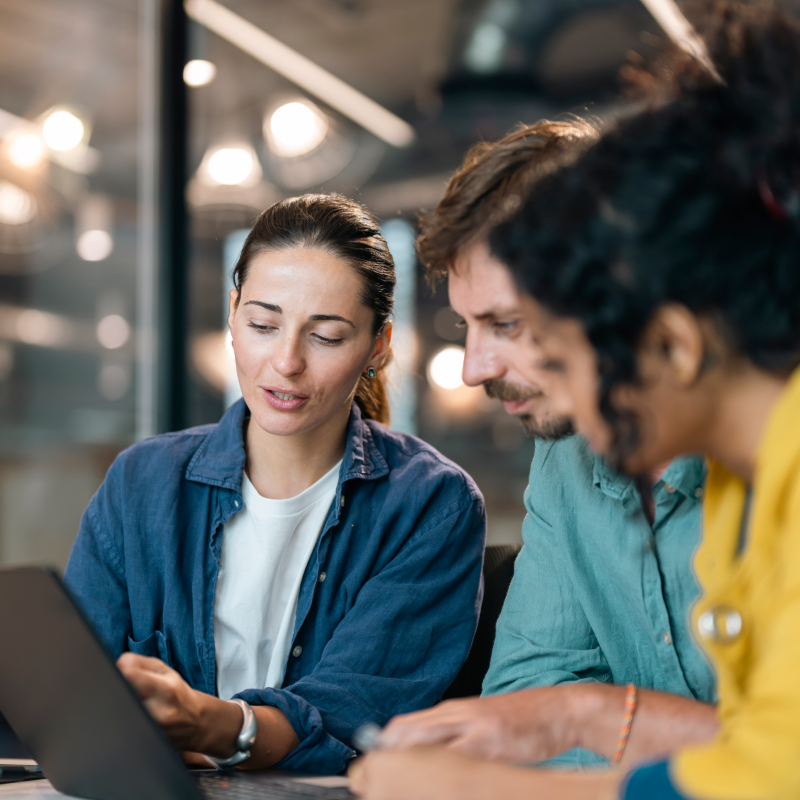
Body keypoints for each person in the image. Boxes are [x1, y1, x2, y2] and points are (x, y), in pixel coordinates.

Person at [351, 3, 800, 798]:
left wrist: (478, 785)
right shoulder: (740, 487)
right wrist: (568, 719)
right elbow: (759, 751)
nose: (490, 369)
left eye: (554, 342)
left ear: (674, 340)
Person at [64, 193, 486, 775]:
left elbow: (353, 719)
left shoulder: (431, 504)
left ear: (377, 346)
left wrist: (210, 727)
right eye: (263, 324)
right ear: (233, 315)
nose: (286, 362)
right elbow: (76, 701)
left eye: (328, 337)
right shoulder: (141, 484)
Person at [377, 121, 717, 769]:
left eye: (507, 323)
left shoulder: (762, 457)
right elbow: (523, 701)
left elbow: (773, 756)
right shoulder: (565, 456)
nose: (473, 368)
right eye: (466, 324)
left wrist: (585, 718)